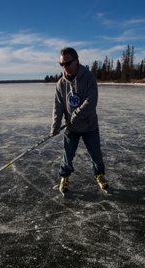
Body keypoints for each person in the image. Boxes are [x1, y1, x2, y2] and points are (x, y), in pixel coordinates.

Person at [50, 47, 108, 194]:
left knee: (96, 154)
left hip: (89, 126)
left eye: (67, 63)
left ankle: (99, 175)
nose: (65, 67)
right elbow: (58, 107)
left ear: (76, 61)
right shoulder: (60, 84)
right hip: (71, 128)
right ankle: (64, 177)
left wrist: (75, 116)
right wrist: (55, 126)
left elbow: (91, 101)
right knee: (67, 155)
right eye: (61, 64)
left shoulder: (88, 78)